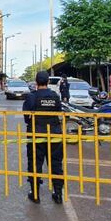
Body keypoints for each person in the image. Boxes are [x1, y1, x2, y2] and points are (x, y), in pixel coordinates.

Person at [22, 71, 64, 204]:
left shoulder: (31, 97)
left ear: (36, 81)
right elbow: (59, 112)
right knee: (56, 163)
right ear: (47, 81)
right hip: (54, 134)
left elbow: (26, 117)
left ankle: (35, 194)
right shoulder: (55, 96)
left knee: (35, 162)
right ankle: (58, 194)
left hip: (36, 134)